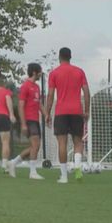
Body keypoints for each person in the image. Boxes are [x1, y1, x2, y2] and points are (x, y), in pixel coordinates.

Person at [44, 47, 90, 184]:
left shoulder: (54, 73)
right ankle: (77, 167)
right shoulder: (79, 71)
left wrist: (47, 113)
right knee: (78, 142)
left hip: (61, 112)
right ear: (70, 57)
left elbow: (50, 95)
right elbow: (87, 92)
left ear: (59, 57)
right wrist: (86, 111)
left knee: (62, 144)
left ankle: (64, 177)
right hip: (76, 111)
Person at [8, 63, 45, 180]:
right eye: (40, 71)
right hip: (29, 120)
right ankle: (32, 172)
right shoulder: (25, 86)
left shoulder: (37, 87)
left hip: (36, 120)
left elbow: (39, 104)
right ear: (34, 72)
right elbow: (20, 106)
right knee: (35, 145)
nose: (41, 74)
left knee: (35, 146)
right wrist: (23, 124)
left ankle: (13, 162)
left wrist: (46, 115)